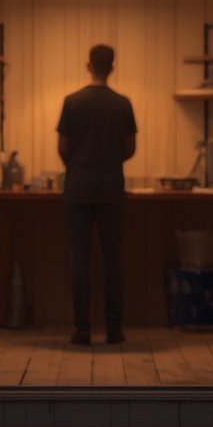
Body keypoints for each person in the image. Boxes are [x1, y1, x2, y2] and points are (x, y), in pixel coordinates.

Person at [56, 43, 137, 345]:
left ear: (88, 65)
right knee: (113, 257)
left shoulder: (72, 102)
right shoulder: (122, 104)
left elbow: (62, 148)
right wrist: (109, 163)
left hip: (77, 187)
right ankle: (114, 329)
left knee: (80, 258)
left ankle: (82, 329)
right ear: (112, 68)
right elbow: (130, 148)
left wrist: (78, 166)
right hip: (111, 188)